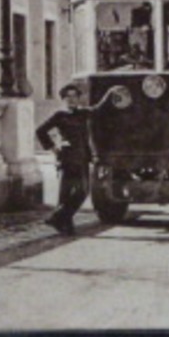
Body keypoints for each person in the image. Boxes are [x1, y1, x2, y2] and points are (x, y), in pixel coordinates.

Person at [35, 81, 98, 236]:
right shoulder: (60, 116)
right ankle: (65, 225)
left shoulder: (83, 114)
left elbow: (99, 109)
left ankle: (57, 217)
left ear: (78, 98)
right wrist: (53, 148)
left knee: (83, 191)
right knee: (66, 193)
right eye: (67, 97)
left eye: (74, 96)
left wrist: (113, 93)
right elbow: (40, 131)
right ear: (63, 99)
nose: (71, 99)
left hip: (83, 157)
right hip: (67, 158)